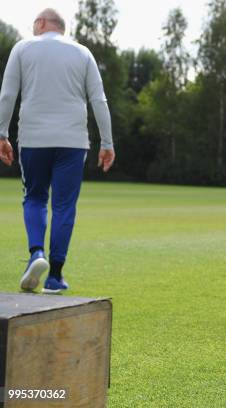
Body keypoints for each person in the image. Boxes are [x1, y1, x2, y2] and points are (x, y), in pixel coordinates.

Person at [0, 8, 115, 294]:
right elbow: (99, 100)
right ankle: (55, 276)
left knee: (35, 197)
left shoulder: (22, 48)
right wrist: (107, 142)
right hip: (73, 142)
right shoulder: (83, 53)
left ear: (40, 23)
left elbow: (7, 94)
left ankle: (36, 253)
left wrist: (1, 133)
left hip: (34, 139)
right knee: (64, 205)